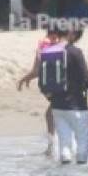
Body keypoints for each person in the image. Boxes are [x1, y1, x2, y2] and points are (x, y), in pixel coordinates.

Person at [46, 29, 88, 164]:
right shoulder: (75, 52)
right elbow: (87, 80)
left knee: (64, 144)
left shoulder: (50, 52)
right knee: (82, 144)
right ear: (71, 34)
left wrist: (52, 99)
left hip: (57, 107)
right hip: (77, 106)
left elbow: (44, 81)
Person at [17, 27, 61, 156]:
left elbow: (36, 71)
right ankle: (54, 146)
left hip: (49, 88)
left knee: (51, 114)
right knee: (53, 114)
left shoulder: (42, 46)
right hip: (61, 87)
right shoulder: (63, 46)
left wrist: (25, 79)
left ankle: (53, 147)